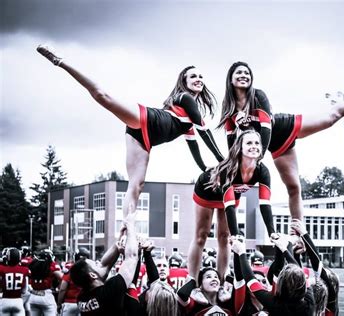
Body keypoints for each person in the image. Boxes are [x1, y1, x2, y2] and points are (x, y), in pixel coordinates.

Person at [37, 45, 224, 220]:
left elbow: (194, 145)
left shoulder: (189, 120)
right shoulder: (184, 98)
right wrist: (222, 159)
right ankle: (60, 61)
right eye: (193, 76)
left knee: (136, 185)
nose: (198, 79)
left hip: (145, 141)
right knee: (103, 97)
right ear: (184, 82)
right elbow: (205, 132)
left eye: (200, 76)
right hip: (147, 118)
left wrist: (204, 168)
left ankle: (127, 229)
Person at [218, 61, 344, 223]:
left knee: (331, 117)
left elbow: (266, 129)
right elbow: (232, 144)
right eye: (239, 73)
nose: (244, 76)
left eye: (247, 73)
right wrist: (233, 167)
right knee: (294, 187)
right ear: (231, 80)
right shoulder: (230, 110)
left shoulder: (258, 96)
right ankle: (298, 233)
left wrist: (258, 157)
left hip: (283, 127)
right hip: (276, 146)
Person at [187, 130, 276, 280]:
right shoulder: (229, 169)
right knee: (201, 235)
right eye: (249, 143)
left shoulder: (262, 171)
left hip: (231, 197)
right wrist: (236, 234)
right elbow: (228, 205)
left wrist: (272, 232)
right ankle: (193, 281)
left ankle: (221, 282)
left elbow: (265, 204)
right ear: (240, 147)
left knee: (224, 237)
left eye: (256, 143)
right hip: (207, 191)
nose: (253, 146)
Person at [70, 205, 139, 315]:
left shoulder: (82, 298)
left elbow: (104, 265)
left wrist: (118, 243)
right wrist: (130, 225)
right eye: (95, 264)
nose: (99, 262)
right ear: (93, 275)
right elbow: (132, 256)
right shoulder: (110, 290)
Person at [231, 235, 316, 316]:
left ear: (280, 287)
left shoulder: (276, 305)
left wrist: (241, 252)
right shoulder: (309, 303)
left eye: (263, 281)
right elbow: (299, 273)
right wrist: (284, 249)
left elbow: (250, 280)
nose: (260, 283)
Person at [291, 219, 339, 316]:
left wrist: (304, 234)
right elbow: (299, 280)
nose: (318, 277)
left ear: (331, 286)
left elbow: (318, 266)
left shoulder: (330, 305)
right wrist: (296, 255)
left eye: (324, 277)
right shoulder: (310, 299)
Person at [177, 266, 245, 315]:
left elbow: (241, 283)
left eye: (216, 277)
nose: (214, 279)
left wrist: (227, 278)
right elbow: (181, 294)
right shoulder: (195, 304)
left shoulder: (227, 303)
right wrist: (193, 281)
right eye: (208, 277)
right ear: (201, 285)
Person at [27, 249, 63, 316]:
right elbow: (62, 278)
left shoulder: (33, 263)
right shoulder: (51, 265)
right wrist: (59, 287)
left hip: (33, 295)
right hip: (46, 296)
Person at [56, 249, 90, 316]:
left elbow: (63, 289)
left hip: (70, 303)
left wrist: (59, 304)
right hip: (85, 304)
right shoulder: (91, 270)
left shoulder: (71, 269)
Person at [0, 248, 30, 316]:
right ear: (19, 258)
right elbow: (24, 291)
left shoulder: (2, 269)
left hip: (4, 301)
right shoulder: (24, 270)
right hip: (18, 301)